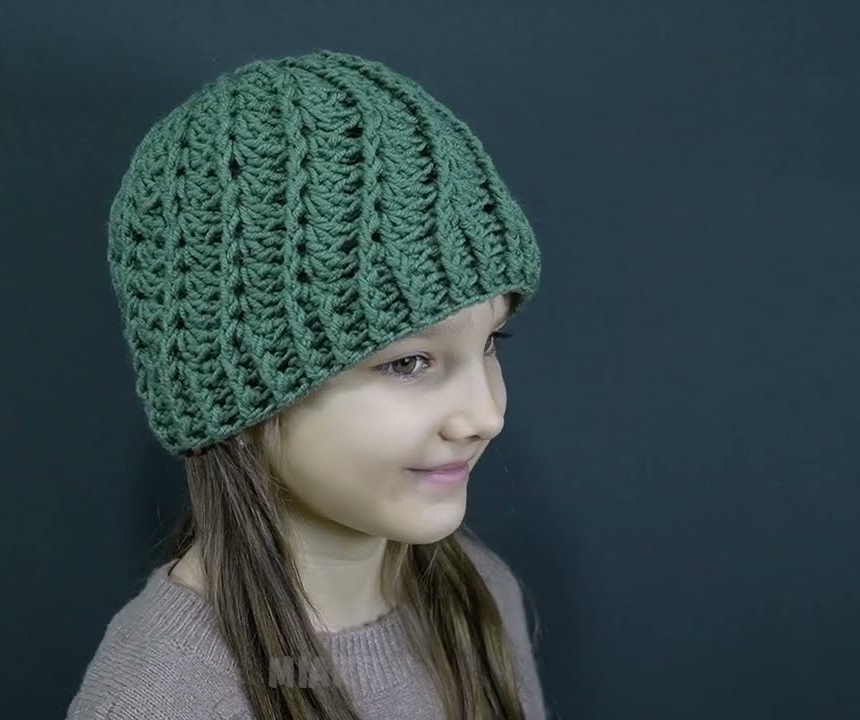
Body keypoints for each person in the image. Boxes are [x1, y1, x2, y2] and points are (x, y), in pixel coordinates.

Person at [66, 49, 549, 720]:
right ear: (238, 397)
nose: (486, 415)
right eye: (408, 363)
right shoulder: (163, 699)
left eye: (491, 342)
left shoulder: (476, 599)